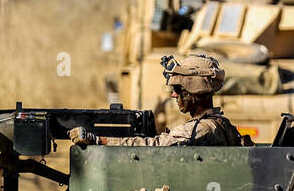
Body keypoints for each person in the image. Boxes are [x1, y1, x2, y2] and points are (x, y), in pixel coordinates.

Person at [69, 54, 242, 147]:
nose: (174, 95)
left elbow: (155, 146)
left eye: (177, 90)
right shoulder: (219, 123)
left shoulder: (201, 129)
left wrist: (100, 141)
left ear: (194, 91)